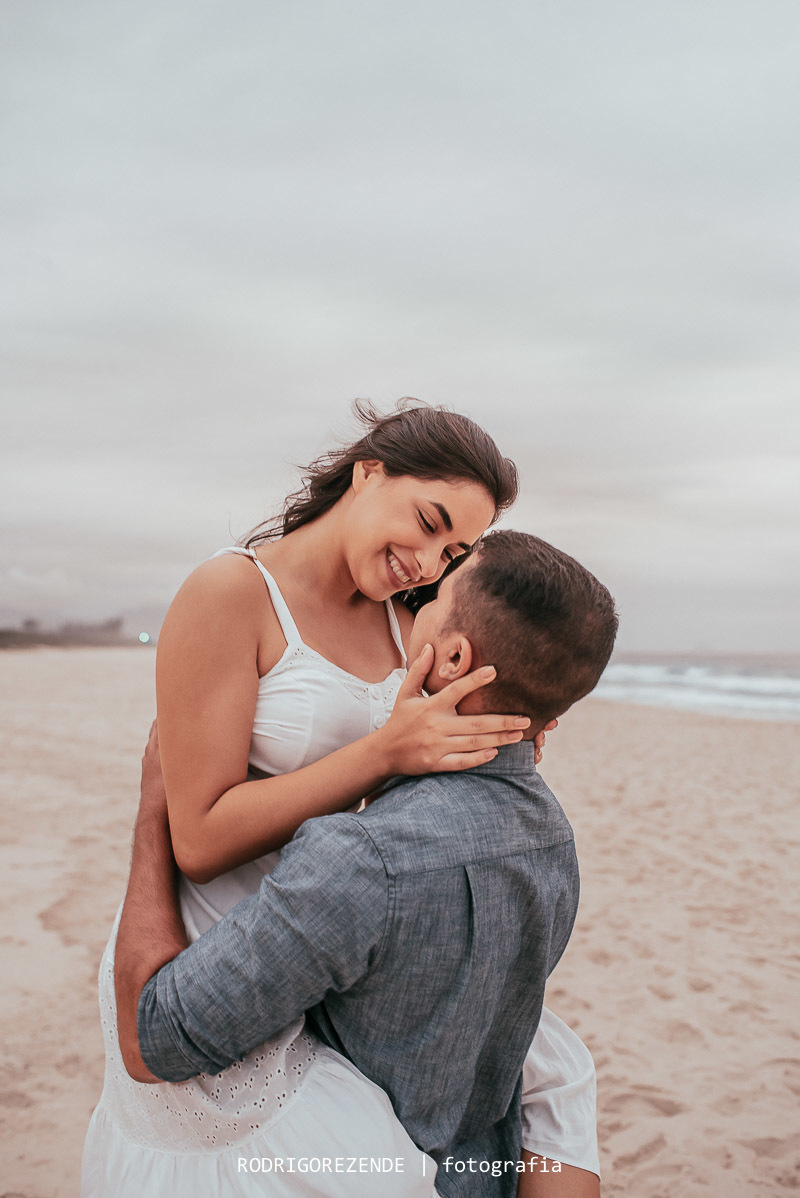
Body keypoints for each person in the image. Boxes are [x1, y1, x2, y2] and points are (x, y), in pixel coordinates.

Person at [81, 403, 600, 1197]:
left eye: (453, 552)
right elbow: (200, 837)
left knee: (553, 1084)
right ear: (369, 472)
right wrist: (383, 753)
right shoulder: (234, 592)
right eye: (427, 523)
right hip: (227, 927)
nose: (426, 563)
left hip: (352, 925)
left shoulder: (410, 622)